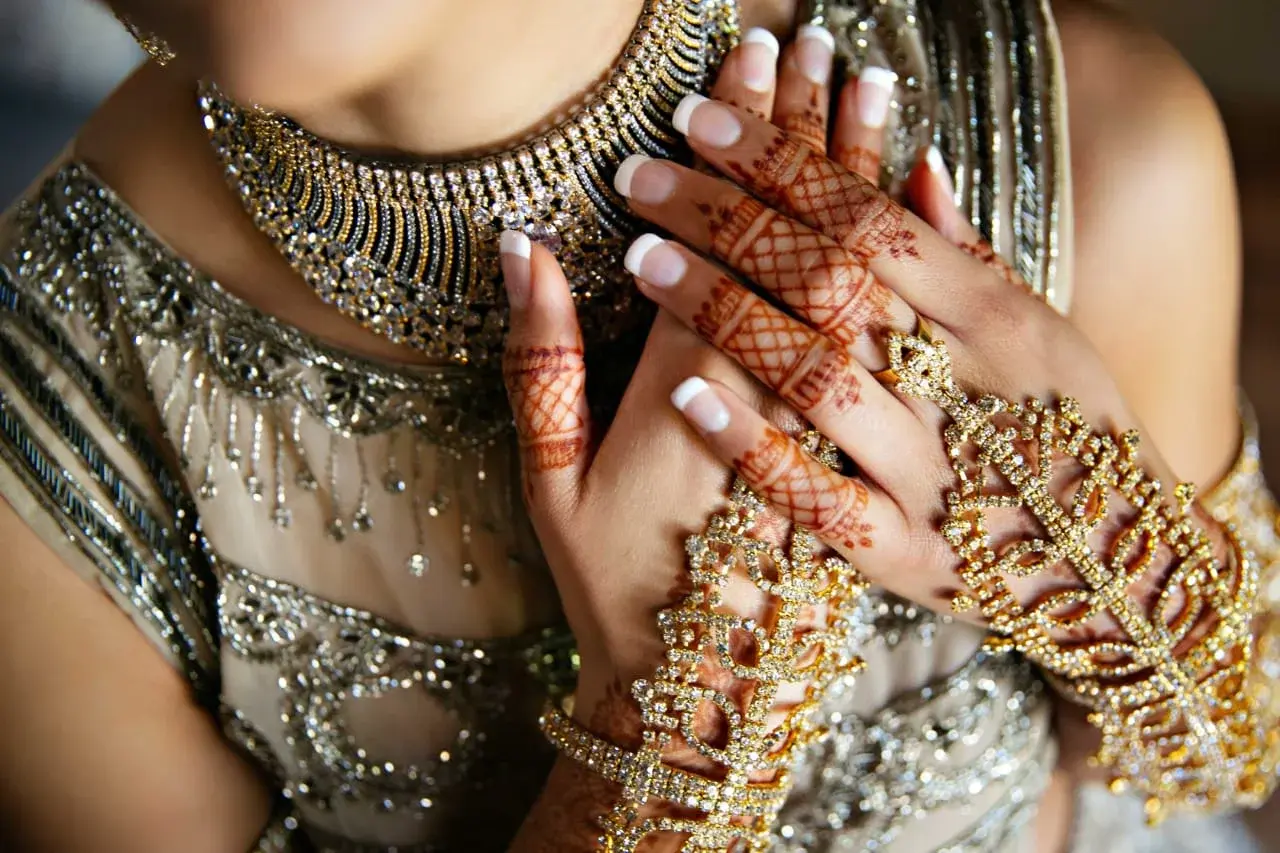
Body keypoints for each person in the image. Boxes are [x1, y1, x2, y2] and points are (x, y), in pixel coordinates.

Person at [0, 1, 1274, 852]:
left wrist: (1123, 578)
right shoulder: (47, 417)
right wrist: (661, 741)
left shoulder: (1087, 143)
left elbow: (1223, 769)